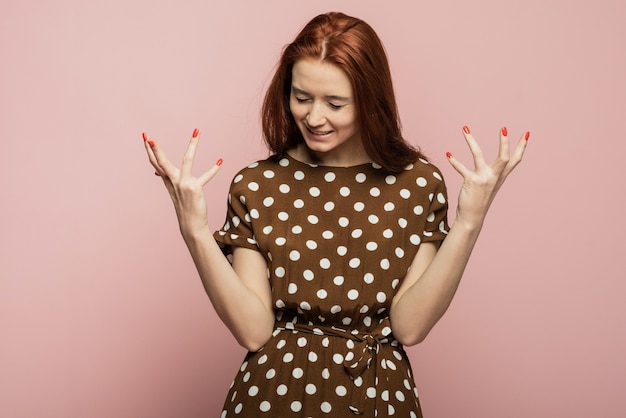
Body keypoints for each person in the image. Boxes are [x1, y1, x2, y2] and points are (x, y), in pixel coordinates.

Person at [142, 11, 528, 418]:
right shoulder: (257, 185)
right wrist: (195, 231)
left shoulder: (417, 184)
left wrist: (469, 221)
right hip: (273, 397)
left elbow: (410, 327)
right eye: (302, 97)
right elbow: (253, 330)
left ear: (370, 99)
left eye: (335, 103)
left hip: (379, 396)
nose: (313, 117)